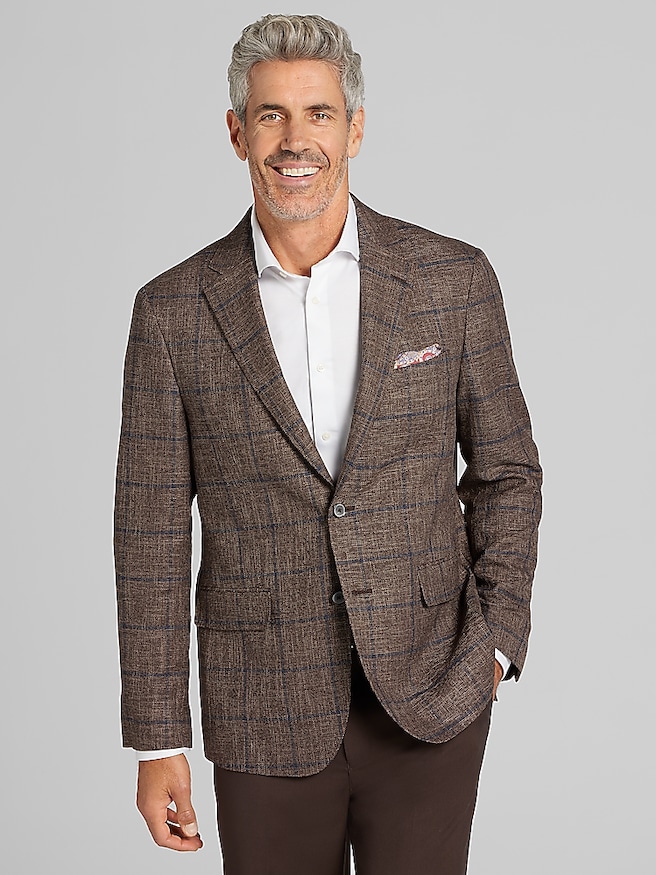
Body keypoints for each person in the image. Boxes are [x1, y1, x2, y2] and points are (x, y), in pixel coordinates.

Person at [114, 13, 542, 875]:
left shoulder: (450, 279)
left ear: (355, 128)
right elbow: (150, 534)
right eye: (270, 114)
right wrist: (158, 738)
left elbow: (507, 471)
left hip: (432, 695)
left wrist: (495, 643)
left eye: (318, 113)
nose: (294, 139)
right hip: (261, 707)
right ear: (237, 132)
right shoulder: (173, 312)